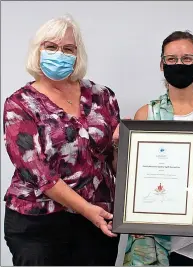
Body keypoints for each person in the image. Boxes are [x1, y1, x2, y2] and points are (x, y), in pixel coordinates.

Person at [3, 14, 120, 266]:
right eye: (51, 47)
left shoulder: (103, 96)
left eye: (68, 49)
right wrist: (87, 210)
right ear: (38, 51)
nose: (60, 54)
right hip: (38, 223)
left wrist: (122, 146)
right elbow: (38, 174)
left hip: (97, 219)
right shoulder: (19, 104)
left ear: (78, 55)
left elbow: (113, 165)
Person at [122, 31, 193, 266]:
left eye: (187, 58)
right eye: (171, 59)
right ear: (162, 65)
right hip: (152, 237)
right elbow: (130, 178)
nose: (179, 64)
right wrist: (117, 145)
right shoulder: (146, 113)